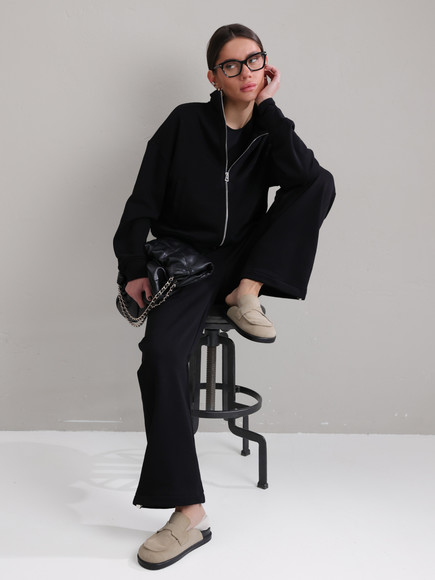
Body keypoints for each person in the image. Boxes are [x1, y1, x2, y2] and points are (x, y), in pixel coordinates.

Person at [113, 23, 335, 570]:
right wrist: (132, 266)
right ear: (213, 76)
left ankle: (247, 293)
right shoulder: (184, 122)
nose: (245, 72)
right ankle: (189, 513)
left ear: (266, 66)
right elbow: (141, 198)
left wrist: (270, 109)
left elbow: (307, 179)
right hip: (187, 261)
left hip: (244, 259)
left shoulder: (268, 131)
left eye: (254, 60)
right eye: (231, 65)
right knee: (160, 357)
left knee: (320, 180)